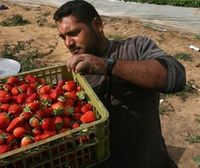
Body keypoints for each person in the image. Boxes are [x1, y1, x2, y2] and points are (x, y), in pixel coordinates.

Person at [53, 0, 186, 168]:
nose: (68, 43)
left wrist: (106, 65)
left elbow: (175, 77)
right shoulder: (72, 77)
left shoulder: (136, 48)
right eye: (63, 37)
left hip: (149, 162)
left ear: (97, 25)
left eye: (74, 33)